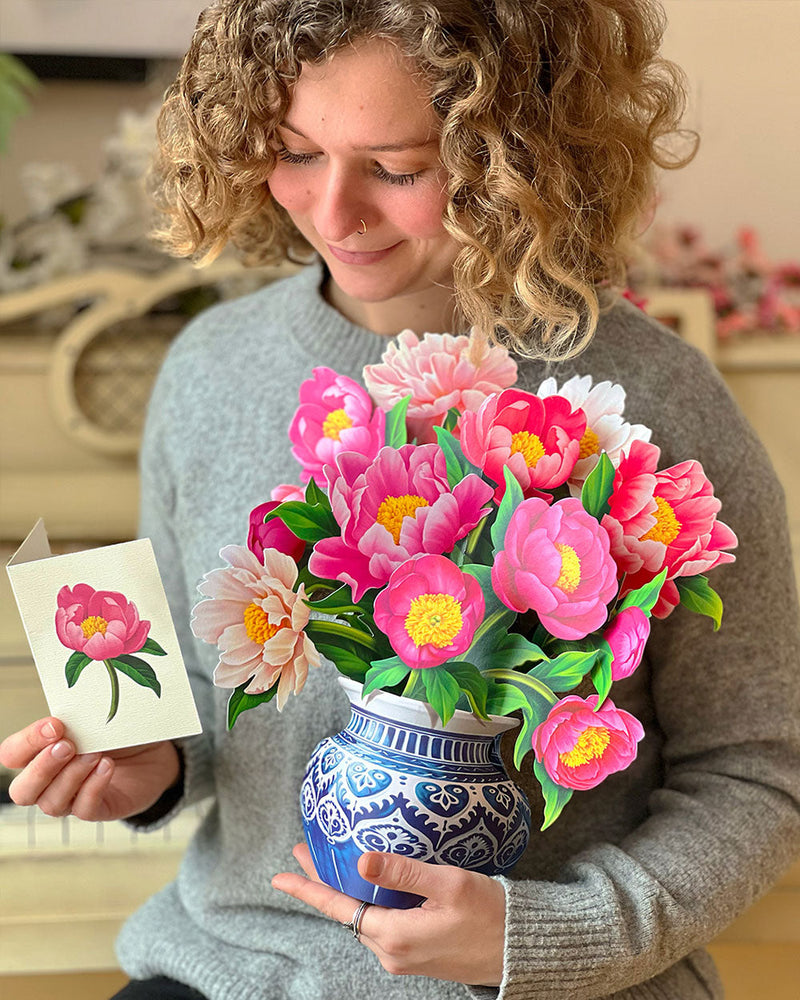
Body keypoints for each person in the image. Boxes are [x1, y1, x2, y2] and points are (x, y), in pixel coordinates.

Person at [2, 1, 799, 997]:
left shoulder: (657, 401)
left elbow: (756, 774)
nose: (331, 214)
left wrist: (541, 936)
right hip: (229, 966)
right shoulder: (210, 367)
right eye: (292, 152)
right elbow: (208, 705)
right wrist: (151, 763)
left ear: (517, 159)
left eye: (396, 168)